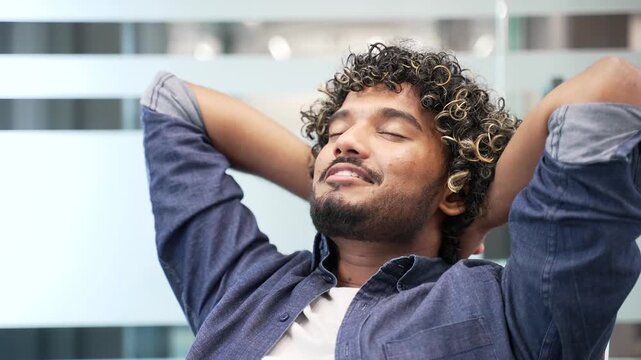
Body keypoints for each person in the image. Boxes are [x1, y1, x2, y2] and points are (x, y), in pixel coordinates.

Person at [141, 43, 641, 359]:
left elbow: (610, 88)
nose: (344, 141)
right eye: (335, 132)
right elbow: (173, 103)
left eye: (392, 133)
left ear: (453, 185)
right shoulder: (244, 289)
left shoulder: (512, 311)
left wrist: (477, 210)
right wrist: (337, 174)